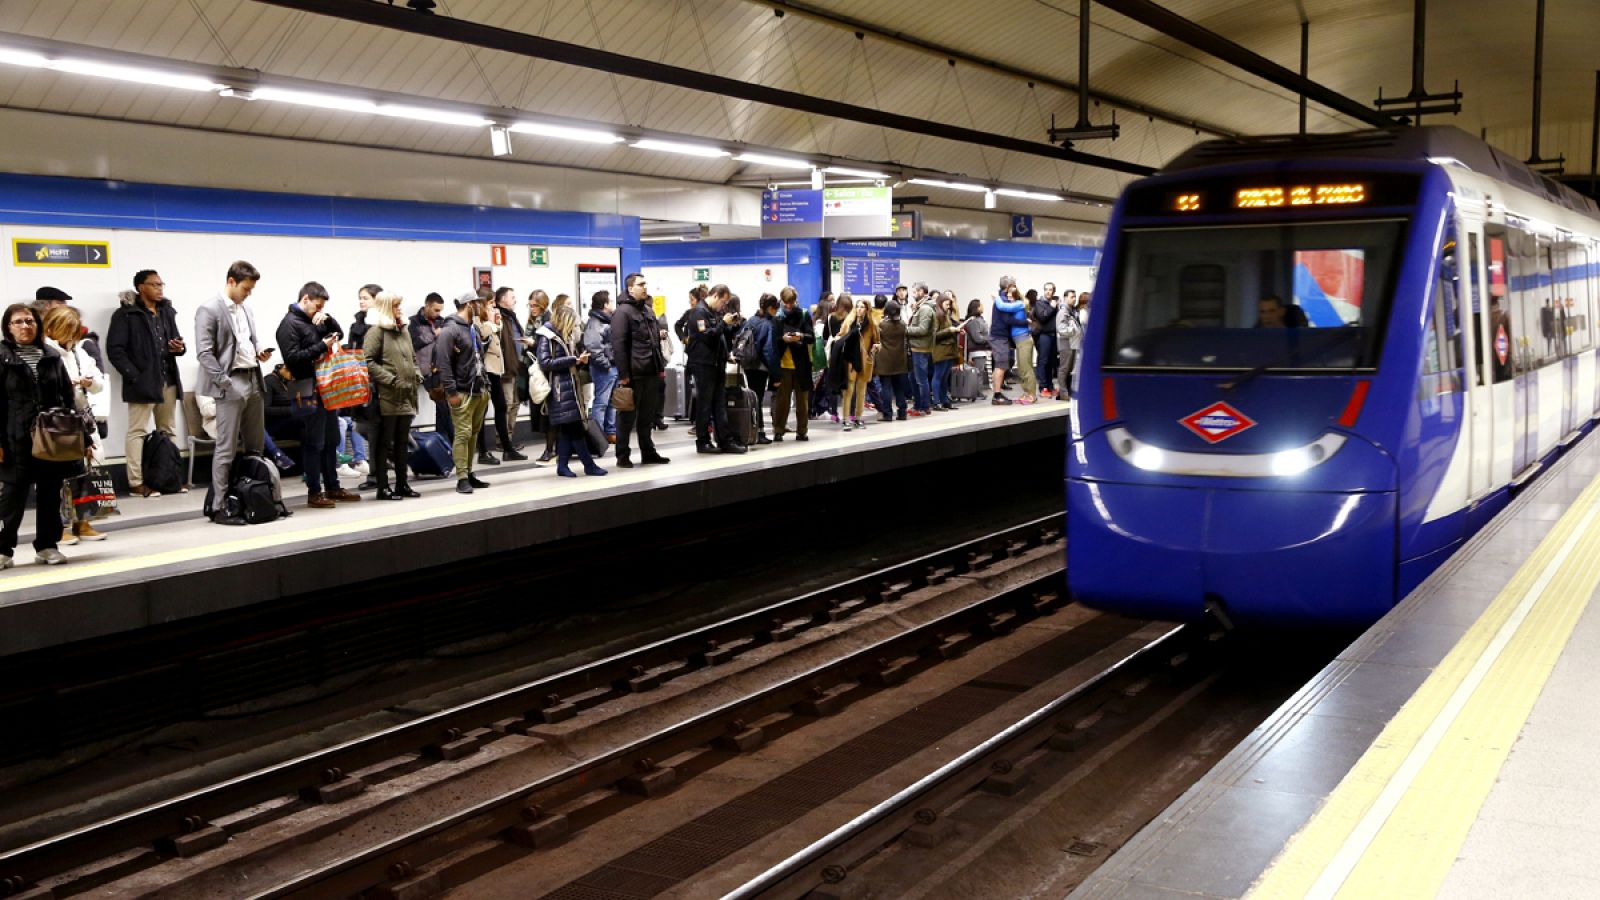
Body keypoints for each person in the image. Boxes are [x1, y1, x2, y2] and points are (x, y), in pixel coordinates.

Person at [0, 304, 84, 567]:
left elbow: (68, 399)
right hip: (14, 438)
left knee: (50, 493)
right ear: (8, 327)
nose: (25, 326)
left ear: (38, 325)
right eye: (18, 322)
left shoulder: (51, 356)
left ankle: (47, 546)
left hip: (52, 437)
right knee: (13, 496)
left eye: (29, 321)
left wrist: (85, 438)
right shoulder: (3, 357)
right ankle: (4, 550)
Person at [195, 261, 273, 507]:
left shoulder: (246, 309)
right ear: (231, 281)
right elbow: (204, 353)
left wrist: (260, 350)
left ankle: (254, 498)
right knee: (226, 448)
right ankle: (219, 504)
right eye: (245, 289)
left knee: (255, 447)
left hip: (253, 377)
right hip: (231, 382)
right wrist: (225, 383)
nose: (248, 294)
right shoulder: (208, 309)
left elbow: (250, 339)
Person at [277, 281, 360, 510]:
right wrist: (322, 346)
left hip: (327, 387)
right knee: (314, 442)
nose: (319, 310)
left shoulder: (315, 320)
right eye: (317, 306)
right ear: (305, 299)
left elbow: (339, 335)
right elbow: (293, 359)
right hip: (306, 389)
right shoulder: (288, 325)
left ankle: (333, 486)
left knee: (332, 439)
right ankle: (314, 491)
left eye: (322, 307)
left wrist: (329, 320)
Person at [107, 269, 186, 497]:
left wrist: (179, 348)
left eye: (161, 284)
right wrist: (135, 375)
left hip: (168, 378)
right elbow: (115, 350)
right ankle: (135, 482)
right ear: (141, 287)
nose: (160, 288)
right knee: (137, 432)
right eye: (154, 284)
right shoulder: (126, 314)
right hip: (143, 383)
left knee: (168, 431)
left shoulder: (167, 311)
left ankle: (169, 478)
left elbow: (177, 342)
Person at [42, 306, 107, 544]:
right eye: (65, 330)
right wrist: (65, 384)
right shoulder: (45, 353)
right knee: (59, 477)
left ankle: (84, 521)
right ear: (51, 328)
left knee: (92, 468)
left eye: (73, 331)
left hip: (83, 417)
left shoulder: (80, 352)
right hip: (56, 420)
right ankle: (58, 526)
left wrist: (89, 382)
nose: (69, 336)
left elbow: (99, 382)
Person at [537, 304, 607, 478]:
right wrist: (573, 360)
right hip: (559, 390)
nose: (575, 328)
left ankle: (563, 466)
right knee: (575, 429)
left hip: (569, 388)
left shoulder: (561, 335)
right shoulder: (547, 336)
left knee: (569, 430)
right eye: (573, 324)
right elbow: (544, 363)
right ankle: (588, 465)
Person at [363, 291, 421, 501]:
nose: (399, 309)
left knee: (402, 441)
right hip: (386, 395)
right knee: (384, 443)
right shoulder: (376, 332)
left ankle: (402, 483)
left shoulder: (403, 329)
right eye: (395, 306)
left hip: (406, 393)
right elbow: (367, 361)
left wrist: (417, 374)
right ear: (386, 307)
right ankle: (382, 486)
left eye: (399, 306)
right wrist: (391, 380)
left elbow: (412, 357)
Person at [436, 293, 494, 494]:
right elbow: (442, 362)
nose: (481, 306)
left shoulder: (472, 328)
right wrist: (451, 391)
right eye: (478, 302)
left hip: (478, 389)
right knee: (462, 434)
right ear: (469, 304)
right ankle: (461, 477)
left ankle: (469, 473)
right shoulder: (450, 330)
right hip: (461, 391)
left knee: (472, 434)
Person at [611, 273, 670, 469]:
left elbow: (655, 343)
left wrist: (659, 367)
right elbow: (619, 346)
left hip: (651, 372)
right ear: (630, 289)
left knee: (647, 416)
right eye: (641, 284)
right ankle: (622, 455)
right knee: (627, 417)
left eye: (646, 283)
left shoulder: (647, 311)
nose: (645, 287)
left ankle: (648, 452)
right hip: (634, 374)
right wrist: (624, 375)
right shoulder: (622, 313)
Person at [684, 284, 746, 454]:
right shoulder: (698, 312)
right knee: (705, 404)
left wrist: (726, 355)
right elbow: (707, 337)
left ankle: (725, 440)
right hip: (703, 365)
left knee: (719, 403)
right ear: (716, 296)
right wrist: (723, 324)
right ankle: (702, 441)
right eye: (723, 302)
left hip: (716, 364)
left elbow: (719, 340)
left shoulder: (712, 313)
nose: (723, 306)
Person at [340, 284, 380, 484]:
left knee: (375, 428)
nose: (362, 301)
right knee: (362, 426)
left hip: (379, 383)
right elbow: (352, 353)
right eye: (360, 298)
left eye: (366, 298)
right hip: (360, 382)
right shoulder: (356, 324)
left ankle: (376, 473)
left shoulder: (383, 324)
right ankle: (375, 469)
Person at [768, 286, 814, 441]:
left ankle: (802, 431)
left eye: (792, 302)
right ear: (782, 300)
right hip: (783, 365)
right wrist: (784, 339)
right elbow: (774, 342)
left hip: (801, 364)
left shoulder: (804, 314)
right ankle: (778, 430)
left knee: (802, 402)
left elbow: (811, 337)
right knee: (782, 402)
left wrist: (800, 336)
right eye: (786, 302)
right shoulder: (777, 317)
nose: (789, 306)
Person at [491, 286, 529, 461]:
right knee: (506, 404)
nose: (515, 300)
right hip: (505, 368)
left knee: (515, 403)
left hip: (516, 366)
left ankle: (509, 439)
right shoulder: (499, 317)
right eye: (512, 297)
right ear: (502, 299)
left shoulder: (511, 317)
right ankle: (502, 441)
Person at [408, 292, 451, 437]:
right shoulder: (414, 322)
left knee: (443, 408)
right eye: (436, 310)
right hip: (426, 371)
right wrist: (434, 334)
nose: (438, 313)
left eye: (440, 310)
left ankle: (443, 441)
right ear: (427, 306)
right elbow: (414, 343)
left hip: (442, 369)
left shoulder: (441, 321)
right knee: (443, 406)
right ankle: (450, 440)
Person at [837, 296, 880, 431]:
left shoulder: (872, 324)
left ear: (867, 309)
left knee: (861, 390)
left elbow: (877, 341)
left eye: (862, 307)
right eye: (857, 307)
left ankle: (859, 418)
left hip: (865, 360)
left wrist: (876, 348)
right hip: (850, 360)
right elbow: (840, 337)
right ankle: (845, 419)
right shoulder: (849, 322)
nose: (859, 309)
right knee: (848, 390)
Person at [524, 290, 556, 462]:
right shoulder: (532, 321)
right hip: (535, 371)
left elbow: (549, 346)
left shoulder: (548, 321)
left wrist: (534, 343)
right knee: (542, 410)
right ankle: (551, 448)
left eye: (535, 305)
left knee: (548, 411)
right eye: (530, 305)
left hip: (547, 372)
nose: (532, 308)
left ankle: (550, 449)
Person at [476, 302, 509, 467]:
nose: (494, 310)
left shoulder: (494, 325)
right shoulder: (479, 323)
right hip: (486, 371)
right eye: (490, 307)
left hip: (495, 371)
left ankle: (508, 448)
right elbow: (482, 337)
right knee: (482, 411)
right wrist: (491, 323)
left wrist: (495, 324)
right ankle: (482, 451)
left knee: (501, 407)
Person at [742, 294, 778, 444]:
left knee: (752, 398)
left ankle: (753, 430)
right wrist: (776, 373)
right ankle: (759, 432)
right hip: (760, 367)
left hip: (748, 364)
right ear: (770, 308)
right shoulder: (767, 324)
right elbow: (768, 351)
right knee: (758, 399)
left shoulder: (750, 320)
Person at [583, 291, 618, 442]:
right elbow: (593, 347)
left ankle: (610, 432)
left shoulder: (607, 321)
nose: (612, 304)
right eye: (610, 301)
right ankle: (598, 436)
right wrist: (607, 365)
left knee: (612, 402)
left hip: (611, 366)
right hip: (603, 368)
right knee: (601, 403)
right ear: (605, 305)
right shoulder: (594, 322)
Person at [874, 299, 911, 421]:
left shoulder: (882, 325)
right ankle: (902, 412)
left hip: (885, 360)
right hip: (899, 360)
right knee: (899, 388)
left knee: (886, 388)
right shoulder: (902, 325)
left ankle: (887, 414)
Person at [990, 276, 1025, 405]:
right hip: (999, 337)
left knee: (1001, 366)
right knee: (1001, 366)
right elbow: (1007, 320)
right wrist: (1024, 322)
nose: (1016, 287)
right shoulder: (1002, 300)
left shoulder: (1002, 298)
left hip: (1000, 336)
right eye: (1014, 285)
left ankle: (997, 393)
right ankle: (997, 395)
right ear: (1008, 287)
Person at [905, 282, 937, 416]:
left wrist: (905, 329)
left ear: (922, 292)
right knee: (914, 378)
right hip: (916, 347)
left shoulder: (925, 309)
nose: (912, 295)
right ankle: (918, 405)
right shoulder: (921, 307)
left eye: (914, 292)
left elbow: (923, 329)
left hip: (921, 348)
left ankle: (924, 406)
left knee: (921, 380)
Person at [931, 293, 962, 411]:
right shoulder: (936, 316)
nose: (948, 306)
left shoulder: (946, 315)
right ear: (940, 303)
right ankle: (937, 402)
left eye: (949, 304)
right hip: (940, 350)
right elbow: (934, 335)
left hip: (949, 350)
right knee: (938, 376)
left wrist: (956, 330)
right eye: (946, 304)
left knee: (944, 377)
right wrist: (949, 330)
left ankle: (944, 401)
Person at [811, 294, 836, 421]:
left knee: (816, 386)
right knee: (822, 385)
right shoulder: (822, 326)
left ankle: (813, 410)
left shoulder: (814, 322)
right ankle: (822, 409)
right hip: (822, 359)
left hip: (815, 360)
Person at [1034, 282, 1061, 398]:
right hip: (1044, 336)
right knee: (1043, 362)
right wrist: (1052, 307)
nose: (1048, 291)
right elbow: (1042, 317)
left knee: (1051, 362)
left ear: (1053, 291)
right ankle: (1043, 387)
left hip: (1053, 336)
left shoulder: (1054, 303)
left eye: (1050, 290)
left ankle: (1050, 386)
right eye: (1046, 289)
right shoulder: (1039, 303)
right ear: (1043, 290)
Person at [963, 298, 993, 401]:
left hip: (981, 350)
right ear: (976, 307)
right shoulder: (974, 321)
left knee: (979, 372)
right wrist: (989, 339)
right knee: (978, 373)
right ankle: (977, 393)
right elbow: (977, 338)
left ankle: (977, 392)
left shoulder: (979, 320)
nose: (983, 307)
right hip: (977, 351)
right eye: (981, 305)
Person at [1057, 290, 1084, 398]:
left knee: (1069, 369)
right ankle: (1063, 393)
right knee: (1064, 369)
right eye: (1072, 297)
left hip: (1072, 343)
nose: (1074, 299)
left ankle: (1067, 391)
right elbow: (1061, 329)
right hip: (1066, 343)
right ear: (1065, 298)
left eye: (1075, 297)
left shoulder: (1071, 310)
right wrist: (1075, 329)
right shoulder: (1063, 312)